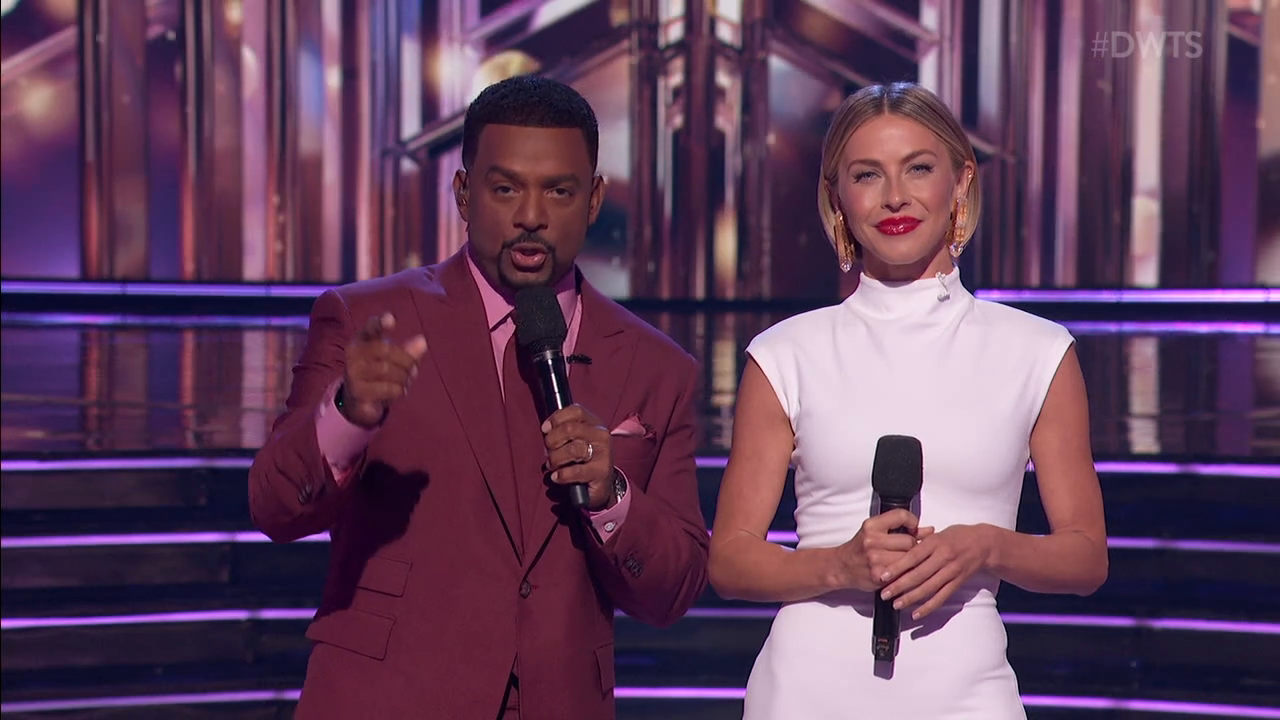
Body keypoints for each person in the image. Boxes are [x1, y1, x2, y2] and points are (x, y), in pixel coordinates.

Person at [248, 74, 709, 720]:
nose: (531, 216)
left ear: (594, 199)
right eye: (506, 188)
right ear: (464, 193)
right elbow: (273, 506)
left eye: (559, 191)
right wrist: (348, 415)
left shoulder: (657, 367)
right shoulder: (369, 321)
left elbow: (674, 589)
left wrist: (612, 496)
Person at [707, 82, 1108, 719]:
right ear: (838, 197)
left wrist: (986, 546)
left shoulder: (1037, 351)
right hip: (808, 691)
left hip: (967, 693)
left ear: (961, 181)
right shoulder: (785, 353)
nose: (895, 196)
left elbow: (1085, 556)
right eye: (867, 175)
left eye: (918, 168)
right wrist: (840, 566)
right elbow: (730, 560)